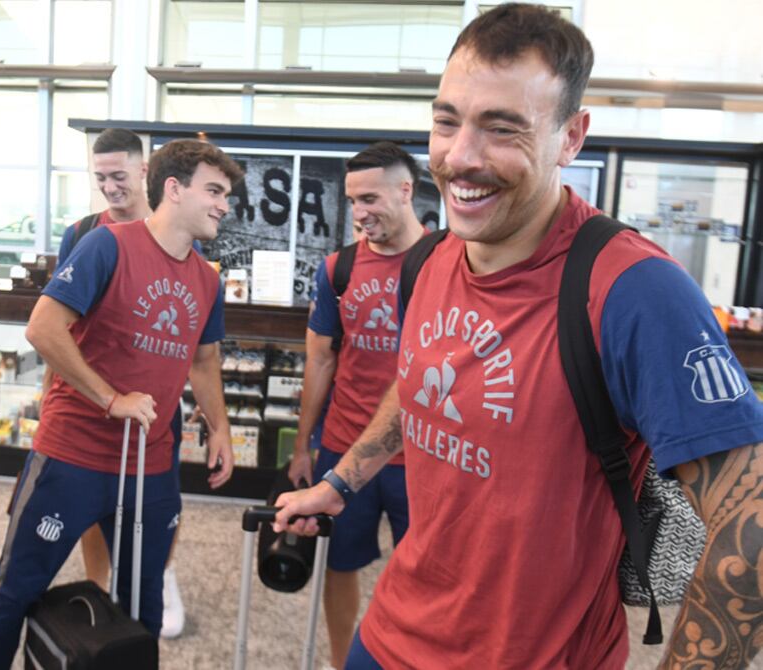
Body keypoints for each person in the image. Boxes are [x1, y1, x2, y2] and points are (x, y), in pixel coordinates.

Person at [274, 4, 763, 668]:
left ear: (571, 136)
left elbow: (748, 529)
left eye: (503, 129)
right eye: (447, 121)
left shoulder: (633, 290)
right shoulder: (429, 260)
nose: (460, 157)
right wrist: (340, 482)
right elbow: (417, 382)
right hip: (389, 636)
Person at [0, 139, 241, 669]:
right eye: (214, 191)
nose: (223, 205)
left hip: (151, 466)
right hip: (72, 456)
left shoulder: (207, 281)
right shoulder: (108, 246)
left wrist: (221, 428)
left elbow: (204, 360)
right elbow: (43, 328)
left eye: (227, 195)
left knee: (143, 607)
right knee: (17, 590)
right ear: (174, 188)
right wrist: (110, 398)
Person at [286, 141, 424, 670]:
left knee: (429, 573)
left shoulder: (447, 261)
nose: (360, 213)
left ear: (405, 190)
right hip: (344, 452)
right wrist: (304, 447)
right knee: (338, 566)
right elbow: (319, 360)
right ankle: (346, 660)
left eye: (370, 198)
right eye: (352, 201)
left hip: (422, 458)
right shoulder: (338, 269)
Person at [51, 127, 189, 638]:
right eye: (101, 177)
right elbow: (58, 326)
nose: (110, 187)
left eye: (120, 176)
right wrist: (55, 396)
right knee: (93, 502)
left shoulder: (175, 230)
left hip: (156, 405)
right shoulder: (83, 233)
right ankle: (99, 584)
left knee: (161, 499)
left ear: (146, 171)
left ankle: (160, 574)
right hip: (93, 400)